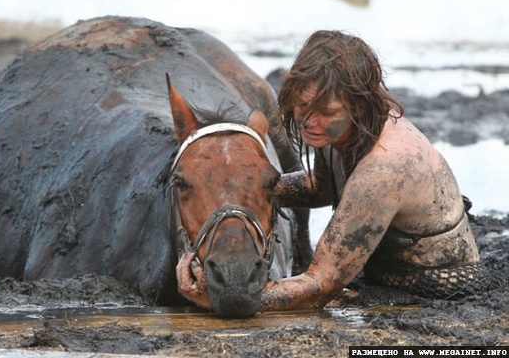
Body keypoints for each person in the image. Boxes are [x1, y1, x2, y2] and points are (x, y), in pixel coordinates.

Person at [176, 30, 482, 311]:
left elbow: (320, 285)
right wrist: (247, 191)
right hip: (382, 273)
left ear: (359, 105)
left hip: (435, 289)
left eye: (326, 112)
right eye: (302, 105)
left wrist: (224, 295)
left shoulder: (385, 168)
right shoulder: (338, 129)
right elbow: (323, 186)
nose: (309, 121)